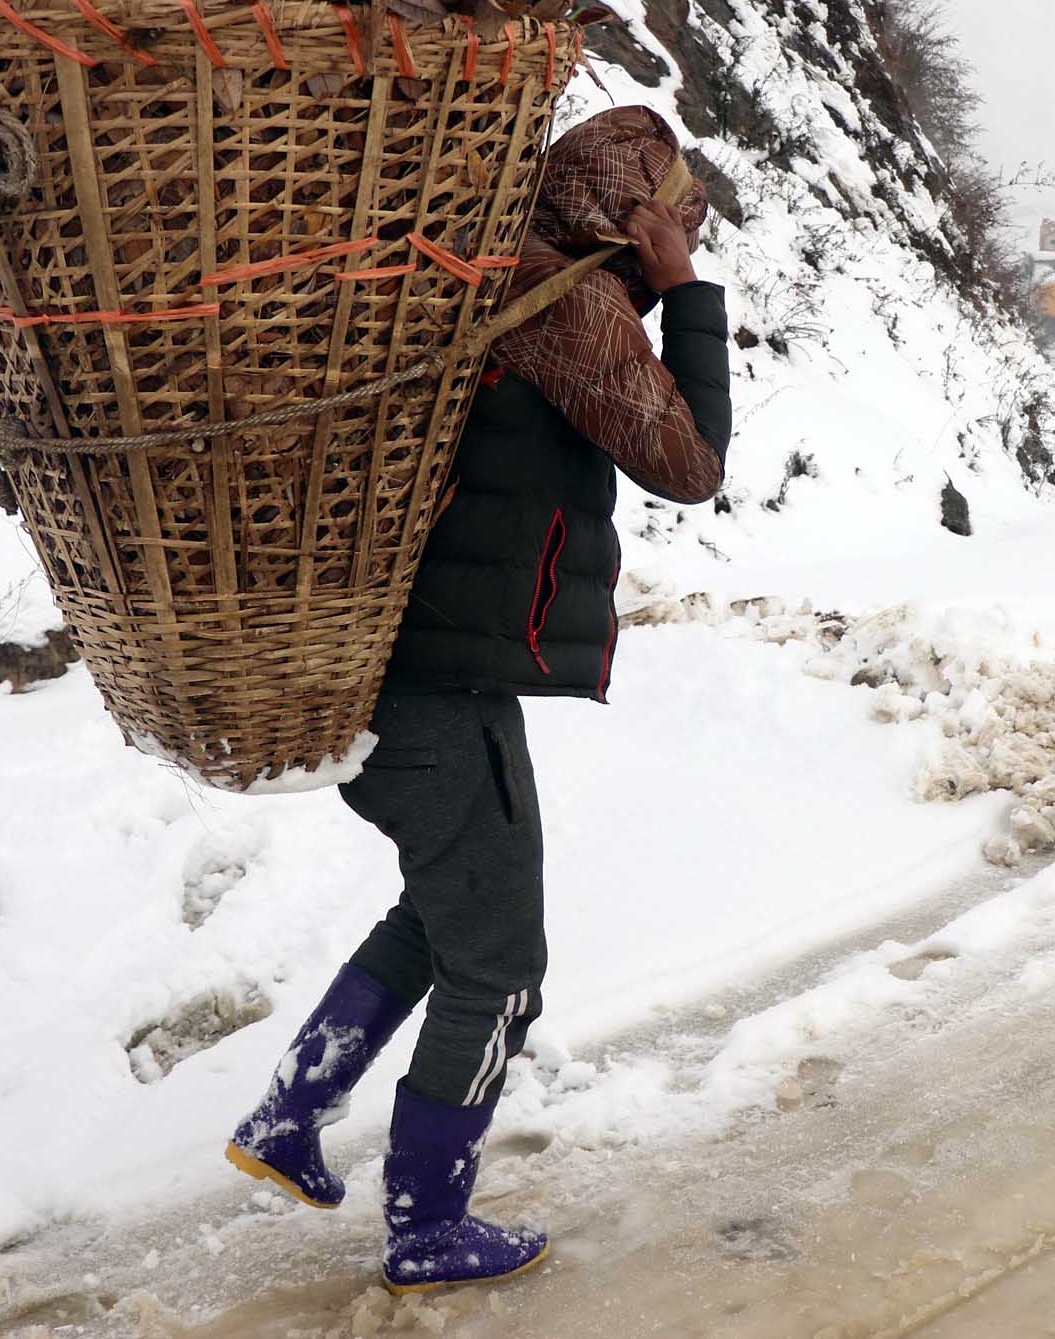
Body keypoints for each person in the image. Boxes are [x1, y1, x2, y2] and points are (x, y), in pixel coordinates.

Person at [221, 106, 730, 1292]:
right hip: (436, 685)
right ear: (624, 210)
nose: (684, 219)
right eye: (671, 202)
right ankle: (426, 1226)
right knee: (500, 965)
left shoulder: (486, 276)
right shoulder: (558, 302)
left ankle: (291, 1117)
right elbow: (690, 462)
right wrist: (684, 290)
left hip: (399, 670)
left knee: (439, 917)